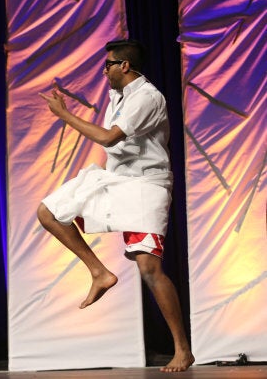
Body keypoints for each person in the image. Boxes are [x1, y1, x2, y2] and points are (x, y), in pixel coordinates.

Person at [37, 39, 194, 372]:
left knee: (149, 270)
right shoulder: (118, 96)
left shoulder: (148, 97)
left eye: (108, 64)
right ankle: (100, 273)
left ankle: (183, 349)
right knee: (48, 213)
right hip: (115, 181)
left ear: (125, 66)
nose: (103, 70)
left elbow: (109, 138)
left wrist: (64, 115)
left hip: (145, 187)